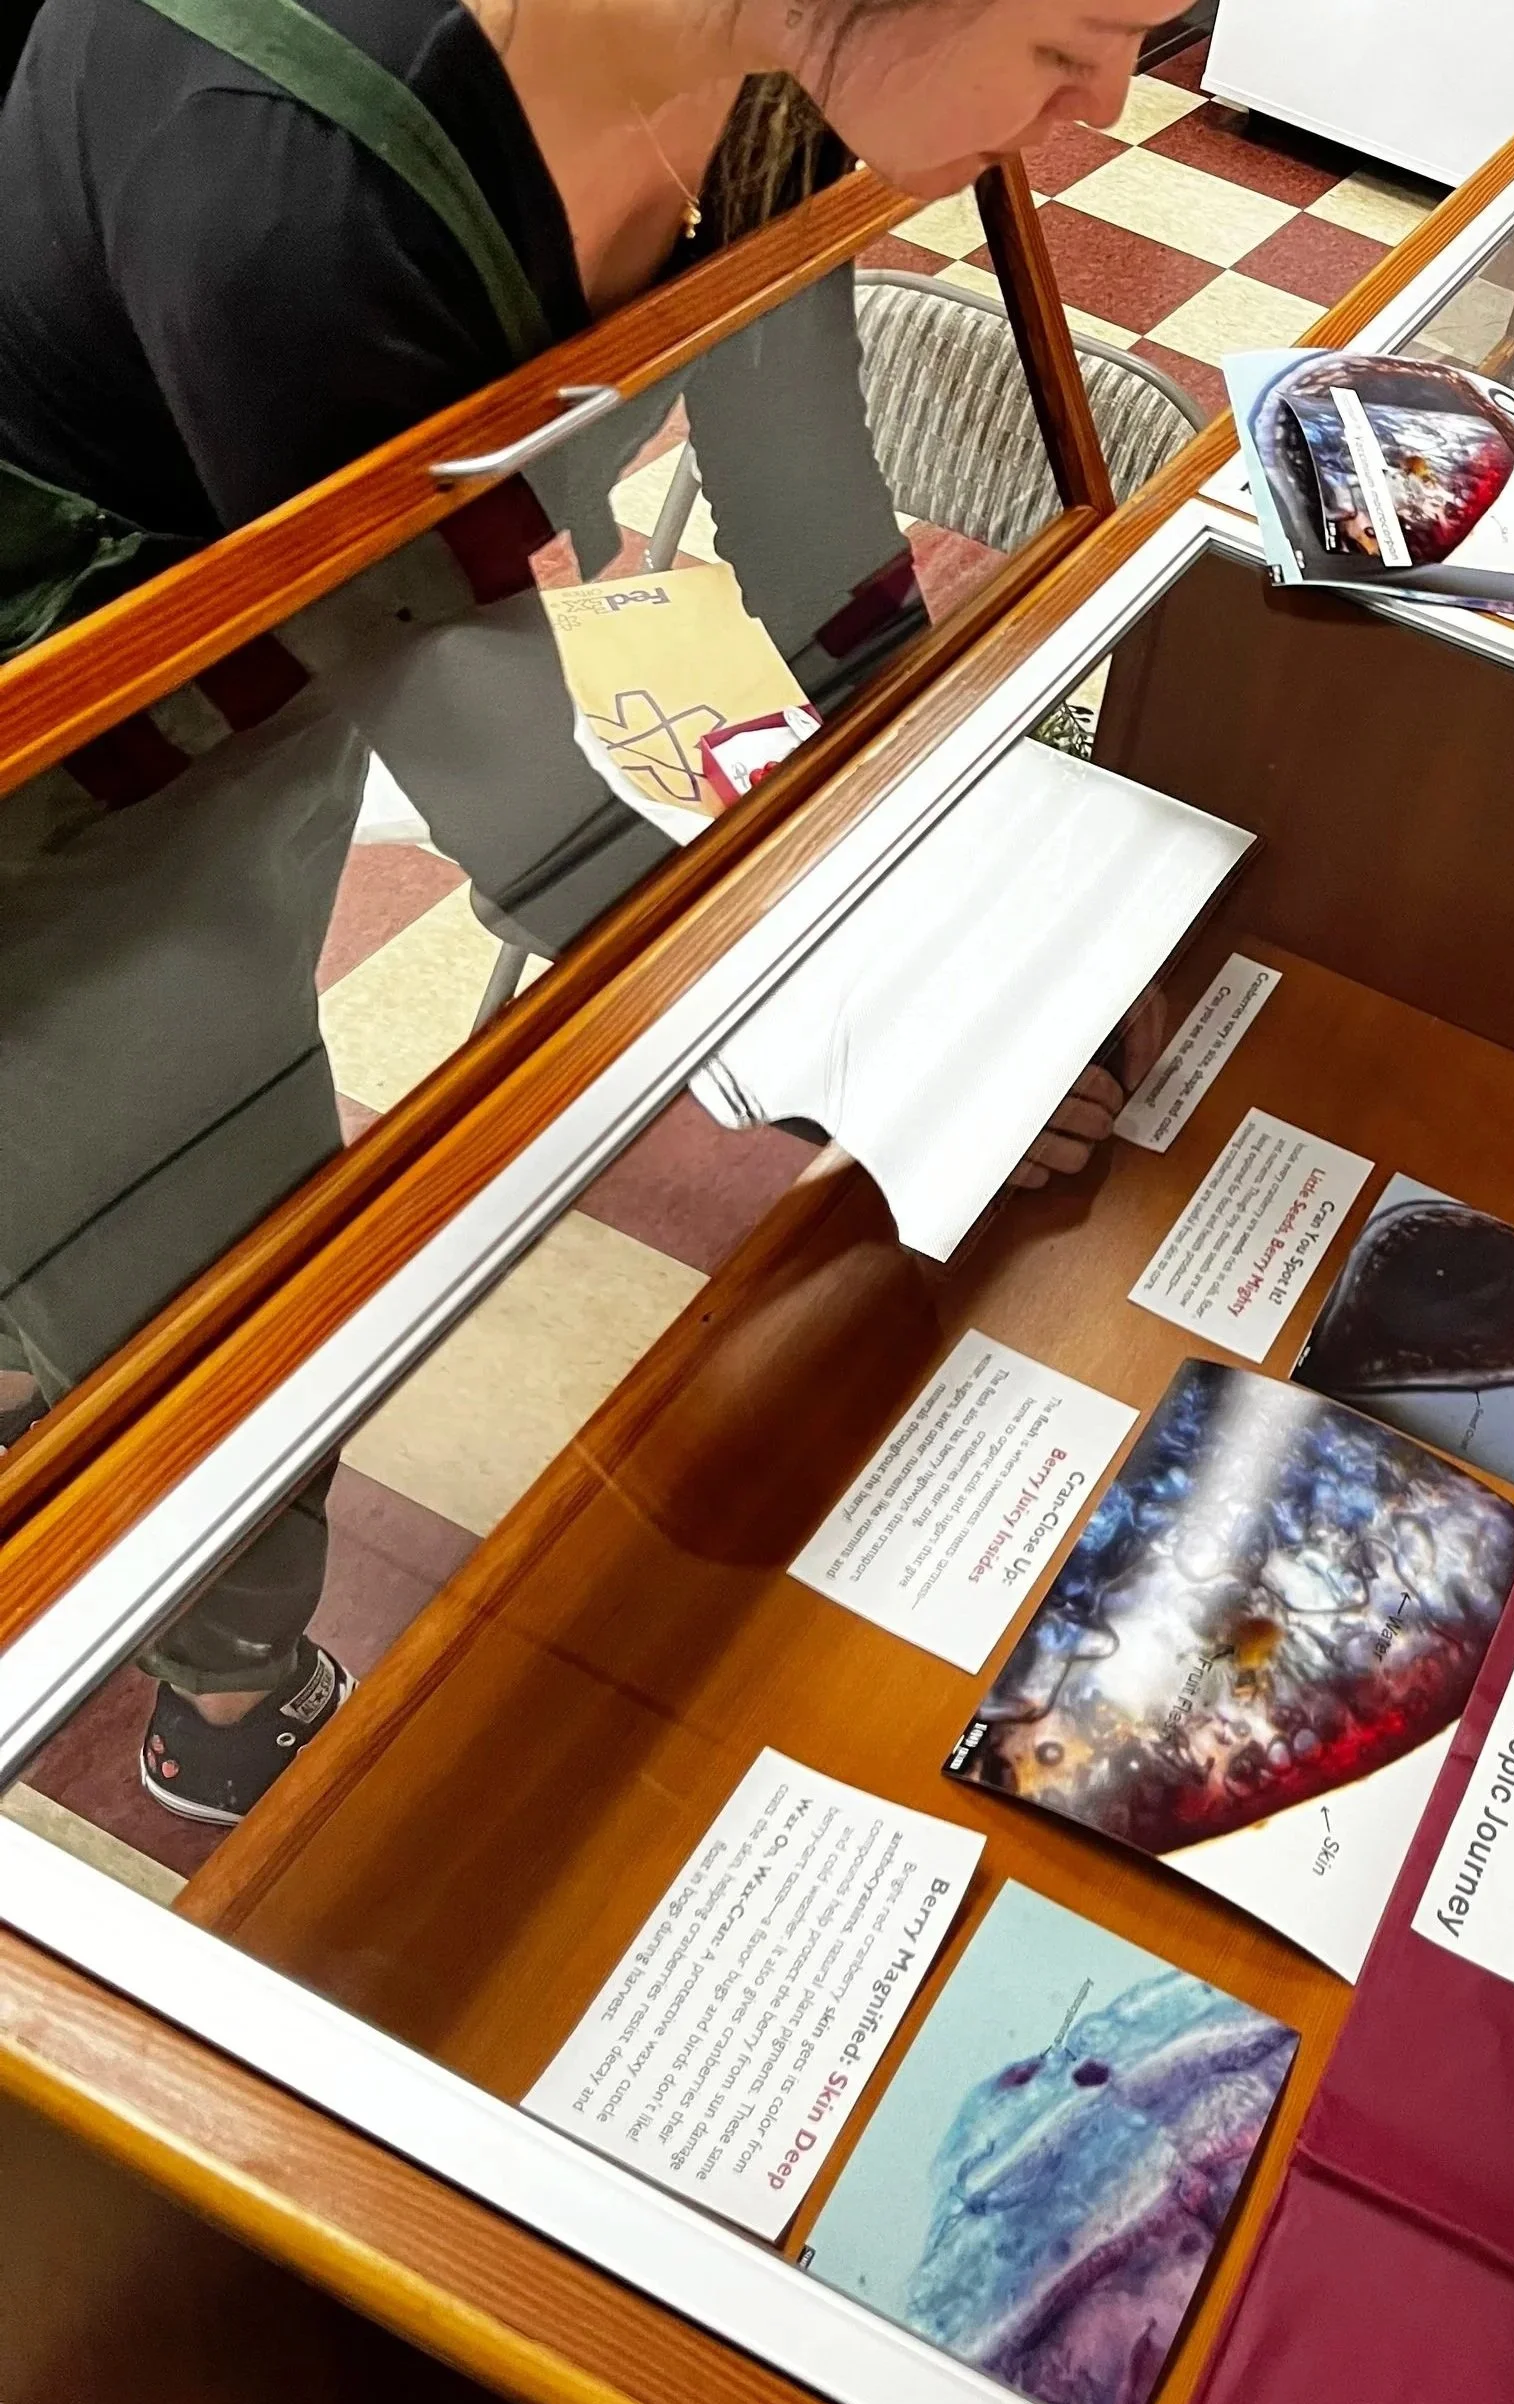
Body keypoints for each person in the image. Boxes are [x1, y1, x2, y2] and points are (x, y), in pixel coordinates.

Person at [0, 0, 1167, 1823]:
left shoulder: (761, 50)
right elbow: (496, 768)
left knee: (144, 1138)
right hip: (55, 765)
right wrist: (908, 1037)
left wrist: (942, 873)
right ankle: (229, 1700)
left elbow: (794, 473)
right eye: (1078, 41)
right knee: (216, 1279)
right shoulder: (288, 192)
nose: (1104, 113)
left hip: (274, 651)